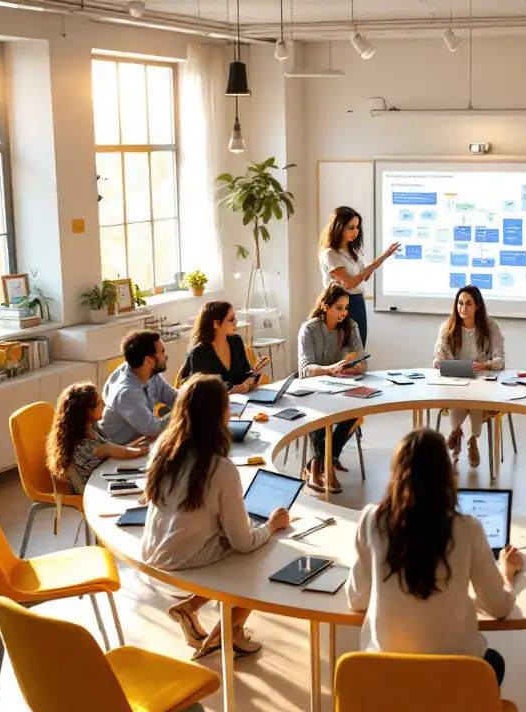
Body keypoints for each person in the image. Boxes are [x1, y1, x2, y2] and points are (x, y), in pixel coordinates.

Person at [345, 428, 522, 685]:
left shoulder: (372, 520)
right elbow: (499, 607)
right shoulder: (467, 528)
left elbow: (356, 600)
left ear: (396, 474)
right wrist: (506, 575)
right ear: (447, 476)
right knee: (493, 662)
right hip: (454, 681)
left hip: (387, 680)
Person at [141, 375, 291, 658]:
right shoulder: (221, 469)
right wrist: (272, 525)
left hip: (153, 556)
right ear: (219, 415)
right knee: (263, 549)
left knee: (226, 534)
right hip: (182, 564)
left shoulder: (162, 448)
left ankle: (191, 607)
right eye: (227, 407)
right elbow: (244, 543)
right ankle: (230, 630)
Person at [297, 282, 368, 493]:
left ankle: (319, 464)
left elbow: (363, 362)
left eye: (346, 308)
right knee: (321, 413)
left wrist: (354, 367)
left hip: (342, 389)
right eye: (339, 308)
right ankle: (322, 466)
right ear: (325, 306)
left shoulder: (351, 326)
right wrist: (330, 369)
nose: (344, 313)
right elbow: (305, 370)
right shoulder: (309, 329)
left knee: (357, 410)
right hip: (313, 390)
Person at [432, 285, 506, 467]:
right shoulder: (447, 327)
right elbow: (437, 358)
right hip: (457, 381)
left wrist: (485, 365)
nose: (463, 308)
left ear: (477, 306)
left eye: (468, 304)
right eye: (460, 303)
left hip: (484, 381)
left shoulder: (491, 327)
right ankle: (469, 438)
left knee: (475, 396)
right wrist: (441, 363)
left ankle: (461, 434)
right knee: (461, 394)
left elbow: (500, 360)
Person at [45, 382, 149, 494]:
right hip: (92, 492)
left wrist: (138, 442)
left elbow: (115, 450)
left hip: (103, 479)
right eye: (100, 402)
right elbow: (111, 450)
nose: (104, 404)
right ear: (87, 411)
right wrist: (144, 450)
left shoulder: (88, 428)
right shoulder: (81, 446)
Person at [318, 205, 400, 346]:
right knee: (344, 347)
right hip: (339, 304)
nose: (356, 231)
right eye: (351, 227)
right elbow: (348, 284)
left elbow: (364, 275)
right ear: (339, 227)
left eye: (357, 227)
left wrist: (385, 255)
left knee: (359, 345)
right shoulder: (330, 253)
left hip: (357, 302)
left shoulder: (353, 250)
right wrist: (365, 273)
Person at [99, 330, 178, 445]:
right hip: (119, 448)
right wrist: (184, 410)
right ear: (149, 361)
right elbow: (154, 429)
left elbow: (176, 398)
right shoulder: (127, 393)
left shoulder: (148, 372)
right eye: (162, 352)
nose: (165, 356)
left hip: (140, 441)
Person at [177, 301, 270, 392]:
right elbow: (201, 387)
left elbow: (243, 375)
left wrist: (254, 374)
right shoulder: (199, 352)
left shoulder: (236, 341)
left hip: (239, 400)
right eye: (231, 319)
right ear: (216, 324)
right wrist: (234, 389)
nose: (236, 322)